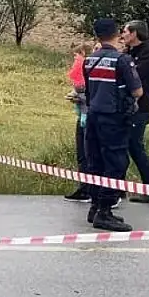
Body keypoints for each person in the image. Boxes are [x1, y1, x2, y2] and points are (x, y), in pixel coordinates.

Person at [82, 18, 143, 232]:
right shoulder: (122, 60)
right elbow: (137, 91)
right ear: (116, 34)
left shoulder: (89, 60)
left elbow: (88, 91)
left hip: (92, 117)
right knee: (116, 163)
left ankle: (95, 206)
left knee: (95, 162)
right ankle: (105, 212)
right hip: (113, 119)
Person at [120, 20, 149, 203]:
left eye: (125, 32)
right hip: (123, 106)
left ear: (135, 33)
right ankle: (118, 188)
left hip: (140, 107)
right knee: (121, 146)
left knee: (135, 146)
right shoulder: (127, 53)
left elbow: (133, 76)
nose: (122, 35)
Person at [63, 42, 96, 203]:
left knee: (88, 154)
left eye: (76, 55)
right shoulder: (80, 70)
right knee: (82, 155)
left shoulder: (90, 69)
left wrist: (79, 97)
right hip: (82, 114)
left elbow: (90, 93)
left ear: (83, 53)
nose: (74, 58)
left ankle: (91, 189)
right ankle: (84, 188)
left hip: (88, 116)